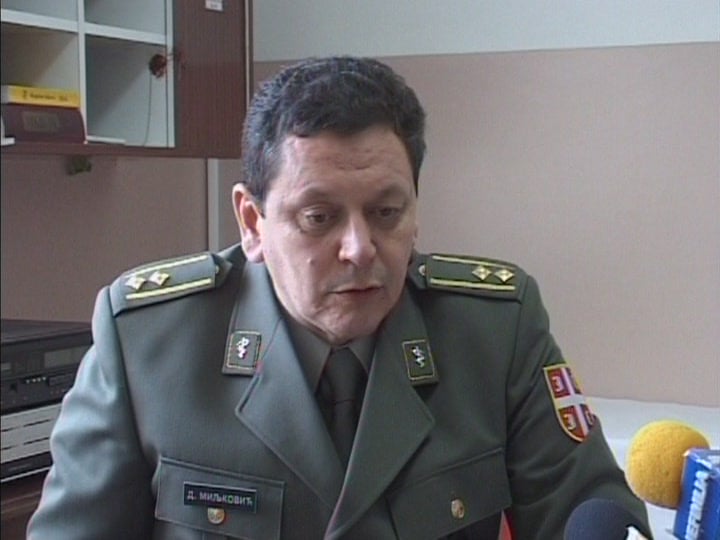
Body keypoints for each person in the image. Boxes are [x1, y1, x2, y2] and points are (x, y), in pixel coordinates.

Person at [27, 56, 651, 539]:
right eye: (319, 218)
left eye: (386, 212)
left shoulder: (495, 329)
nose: (359, 248)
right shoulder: (147, 342)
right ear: (252, 222)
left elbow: (590, 509)